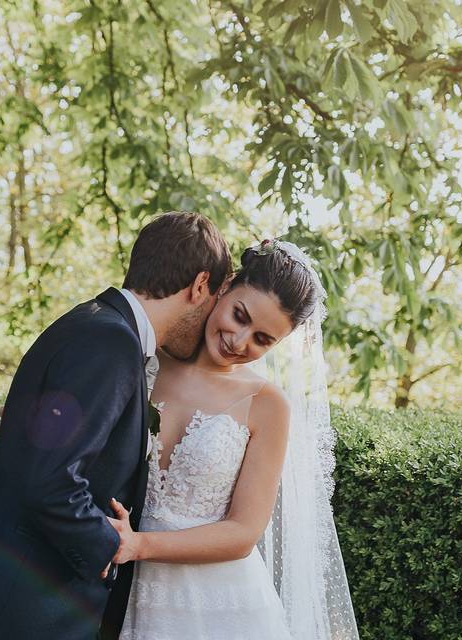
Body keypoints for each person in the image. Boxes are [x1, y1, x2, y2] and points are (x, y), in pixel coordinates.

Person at [0, 211, 232, 640]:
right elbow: (51, 480)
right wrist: (108, 548)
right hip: (28, 608)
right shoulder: (110, 343)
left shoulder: (88, 322)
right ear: (200, 285)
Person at [109, 239, 361, 639]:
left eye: (263, 339)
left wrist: (139, 545)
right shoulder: (147, 359)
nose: (240, 341)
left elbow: (243, 532)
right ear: (223, 287)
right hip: (125, 591)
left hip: (222, 606)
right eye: (239, 315)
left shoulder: (268, 405)